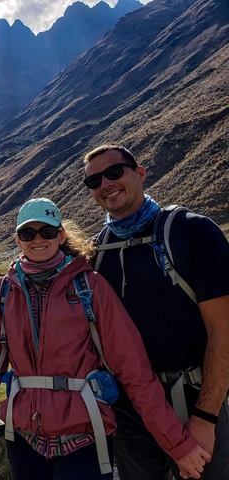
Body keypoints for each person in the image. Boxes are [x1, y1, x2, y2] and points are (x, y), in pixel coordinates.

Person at [0, 198, 208, 480]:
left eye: (47, 231)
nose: (37, 239)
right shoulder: (3, 293)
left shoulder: (90, 286)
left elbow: (134, 370)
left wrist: (177, 444)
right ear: (18, 240)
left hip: (84, 434)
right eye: (27, 233)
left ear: (61, 235)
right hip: (23, 436)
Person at [83, 144, 229, 480]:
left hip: (198, 401)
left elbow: (224, 330)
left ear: (141, 172)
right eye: (94, 181)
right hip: (131, 414)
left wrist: (205, 418)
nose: (106, 184)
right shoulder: (96, 253)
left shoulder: (193, 232)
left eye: (115, 172)